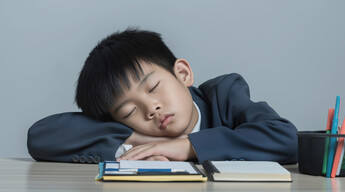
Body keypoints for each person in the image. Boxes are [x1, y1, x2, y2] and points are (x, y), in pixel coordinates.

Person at [27, 29, 298, 164]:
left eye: (153, 87)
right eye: (129, 112)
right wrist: (143, 141)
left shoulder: (224, 93)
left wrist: (188, 146)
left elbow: (286, 138)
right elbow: (41, 136)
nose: (151, 109)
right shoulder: (135, 132)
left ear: (182, 73)